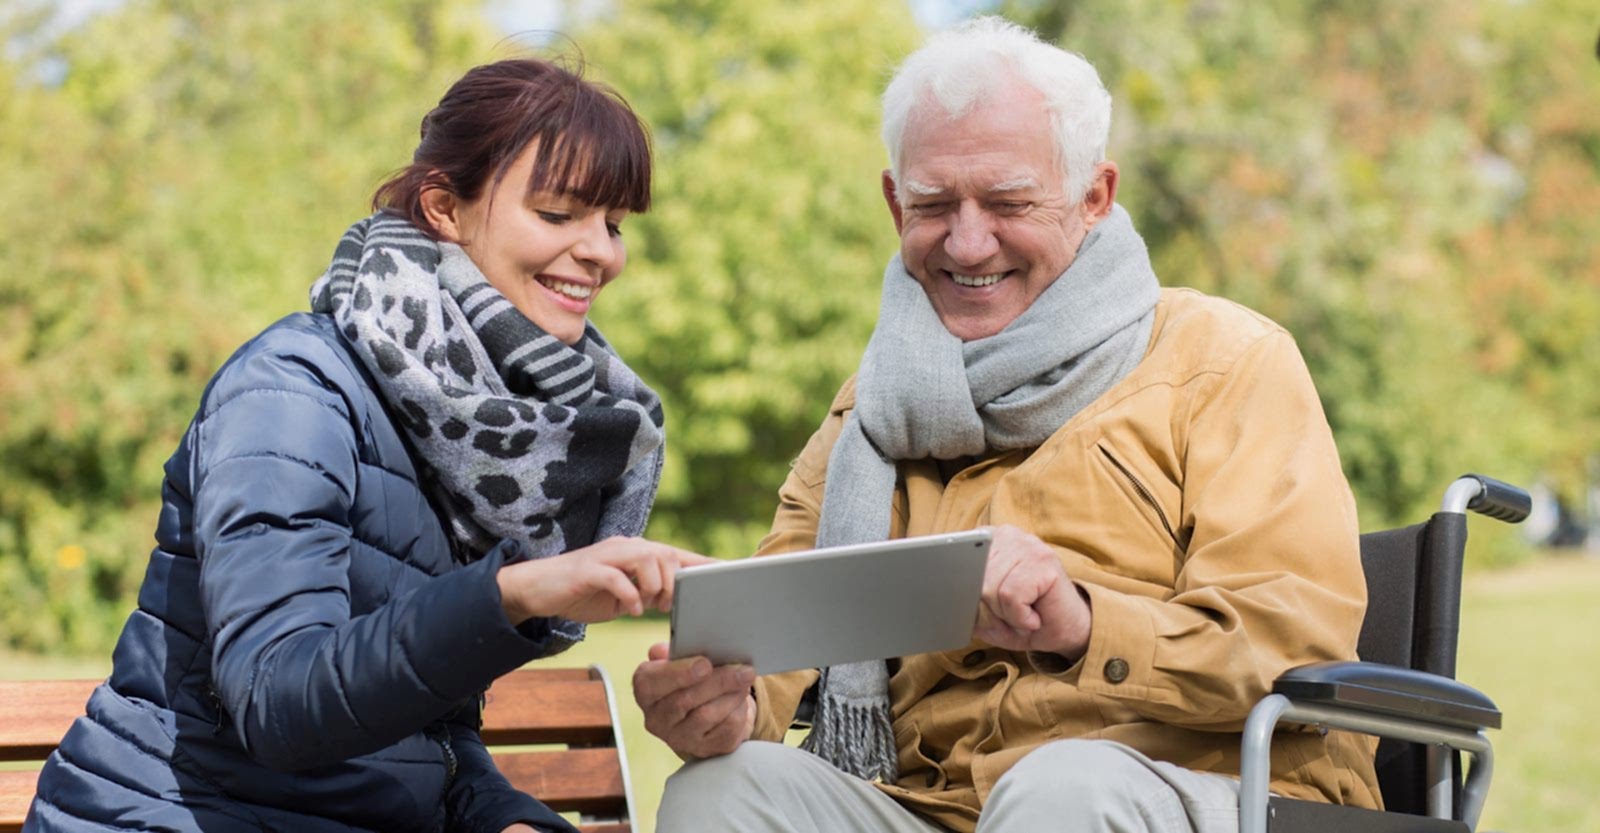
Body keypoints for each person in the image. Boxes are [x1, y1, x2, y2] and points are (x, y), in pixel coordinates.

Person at [633, 17, 1380, 833]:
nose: (967, 239)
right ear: (894, 201)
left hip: (1206, 792)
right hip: (937, 805)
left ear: (1093, 196)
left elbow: (1290, 644)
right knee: (721, 789)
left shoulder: (1227, 360)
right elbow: (777, 643)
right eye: (933, 203)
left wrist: (1082, 622)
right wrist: (719, 702)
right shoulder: (870, 409)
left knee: (1061, 791)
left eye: (1007, 201)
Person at [26, 57, 709, 833]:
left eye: (614, 224)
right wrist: (513, 592)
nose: (602, 253)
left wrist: (507, 819)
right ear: (444, 208)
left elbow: (429, 745)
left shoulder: (477, 430)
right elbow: (281, 703)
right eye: (558, 214)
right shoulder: (290, 395)